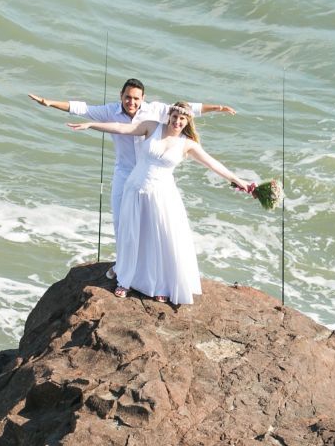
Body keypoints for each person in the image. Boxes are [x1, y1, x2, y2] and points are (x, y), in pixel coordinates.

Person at [28, 81, 236, 270]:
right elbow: (82, 108)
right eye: (128, 97)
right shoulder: (110, 111)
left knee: (150, 224)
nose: (131, 102)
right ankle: (124, 264)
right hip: (125, 173)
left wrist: (217, 108)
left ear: (143, 99)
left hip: (151, 176)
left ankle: (147, 266)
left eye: (136, 98)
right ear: (121, 96)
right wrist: (48, 103)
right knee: (121, 220)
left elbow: (189, 110)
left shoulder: (155, 110)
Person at [68, 102, 255, 305]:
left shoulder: (187, 144)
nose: (177, 121)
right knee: (132, 234)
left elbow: (213, 164)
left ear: (187, 121)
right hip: (135, 189)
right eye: (175, 117)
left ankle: (160, 284)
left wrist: (239, 181)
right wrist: (91, 125)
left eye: (182, 119)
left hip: (162, 195)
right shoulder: (151, 126)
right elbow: (123, 128)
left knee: (159, 238)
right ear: (169, 116)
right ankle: (125, 278)